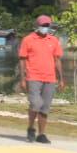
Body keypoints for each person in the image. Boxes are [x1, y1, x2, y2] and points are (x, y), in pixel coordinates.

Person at [18, 14, 64, 144]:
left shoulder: (53, 40)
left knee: (45, 107)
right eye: (43, 25)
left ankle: (41, 134)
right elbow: (22, 60)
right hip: (33, 76)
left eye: (47, 25)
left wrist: (61, 79)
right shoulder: (28, 39)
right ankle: (31, 127)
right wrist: (22, 79)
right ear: (37, 26)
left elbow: (57, 60)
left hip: (50, 78)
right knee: (36, 104)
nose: (45, 27)